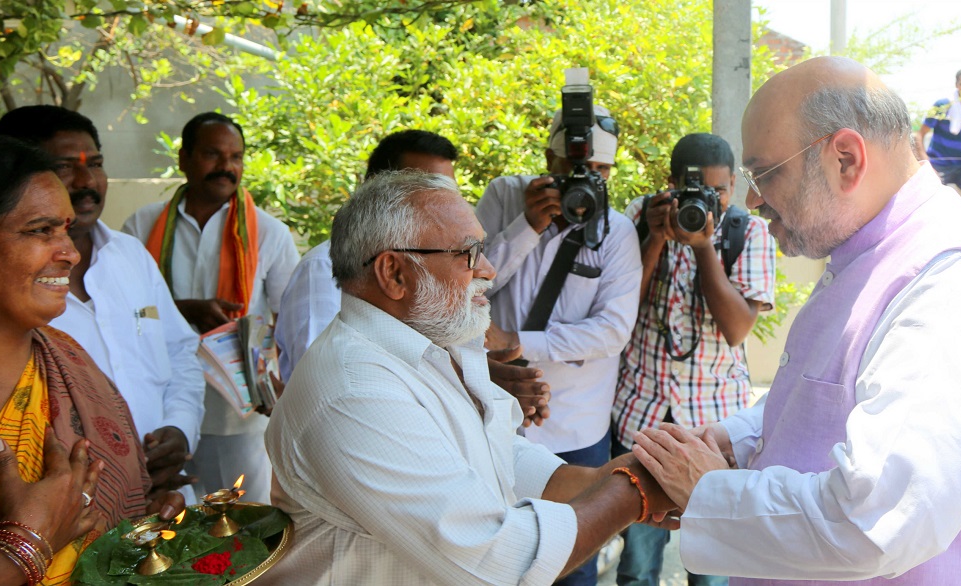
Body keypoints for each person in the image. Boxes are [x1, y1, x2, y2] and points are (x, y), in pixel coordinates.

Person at [633, 56, 961, 584]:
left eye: (765, 173)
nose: (753, 200)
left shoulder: (953, 289)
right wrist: (737, 439)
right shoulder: (871, 251)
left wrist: (708, 490)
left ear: (845, 159)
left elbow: (876, 522)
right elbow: (832, 391)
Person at [262, 170, 676, 585]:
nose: (490, 270)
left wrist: (598, 479)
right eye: (469, 253)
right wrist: (630, 491)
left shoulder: (427, 344)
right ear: (395, 273)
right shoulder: (353, 392)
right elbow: (501, 562)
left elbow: (494, 458)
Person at [0, 135, 183, 585]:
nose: (70, 253)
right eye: (41, 231)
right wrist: (28, 542)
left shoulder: (70, 360)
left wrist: (136, 527)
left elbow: (109, 516)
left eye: (66, 229)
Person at [0, 106, 205, 504]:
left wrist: (179, 428)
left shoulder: (130, 256)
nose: (86, 181)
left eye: (96, 164)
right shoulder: (20, 313)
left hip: (157, 502)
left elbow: (180, 351)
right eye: (64, 166)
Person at [274, 129, 550, 426]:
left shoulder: (434, 268)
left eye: (448, 190)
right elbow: (329, 384)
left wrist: (472, 377)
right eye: (424, 187)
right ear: (377, 191)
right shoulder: (321, 269)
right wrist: (460, 386)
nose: (485, 270)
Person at [475, 105, 641, 586]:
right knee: (496, 552)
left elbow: (612, 329)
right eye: (573, 168)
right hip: (497, 414)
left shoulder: (617, 232)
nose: (586, 181)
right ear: (549, 158)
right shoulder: (506, 196)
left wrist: (516, 341)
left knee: (573, 562)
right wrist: (526, 226)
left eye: (600, 171)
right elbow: (469, 283)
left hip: (576, 427)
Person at [612, 133, 776, 586]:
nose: (709, 200)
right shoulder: (642, 217)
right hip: (640, 417)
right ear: (670, 183)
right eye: (695, 190)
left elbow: (736, 328)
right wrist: (656, 241)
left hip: (713, 424)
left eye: (719, 191)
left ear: (732, 189)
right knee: (639, 564)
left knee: (712, 567)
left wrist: (703, 246)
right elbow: (621, 311)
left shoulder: (750, 232)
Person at [123, 113, 300, 504]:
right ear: (183, 158)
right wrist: (184, 310)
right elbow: (124, 308)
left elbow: (288, 317)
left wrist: (281, 389)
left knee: (243, 517)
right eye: (212, 154)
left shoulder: (269, 232)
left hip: (235, 409)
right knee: (167, 518)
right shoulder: (141, 225)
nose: (226, 167)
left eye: (236, 157)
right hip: (160, 405)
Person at [914, 67, 961, 216]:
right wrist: (928, 165)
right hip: (939, 165)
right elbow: (919, 135)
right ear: (957, 84)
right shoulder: (942, 106)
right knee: (928, 193)